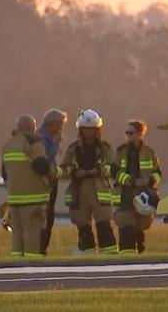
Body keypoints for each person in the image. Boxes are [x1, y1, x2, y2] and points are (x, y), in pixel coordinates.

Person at [60, 109, 117, 254]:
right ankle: (87, 253)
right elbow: (64, 168)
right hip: (79, 191)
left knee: (104, 225)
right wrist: (74, 172)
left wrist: (99, 171)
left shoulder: (106, 148)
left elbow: (114, 168)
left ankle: (109, 254)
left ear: (97, 129)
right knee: (83, 226)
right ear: (81, 130)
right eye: (85, 129)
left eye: (91, 129)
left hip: (100, 190)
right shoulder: (73, 149)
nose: (88, 132)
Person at [1, 115, 54, 257]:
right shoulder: (33, 143)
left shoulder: (8, 145)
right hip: (33, 200)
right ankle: (33, 267)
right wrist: (55, 172)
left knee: (17, 235)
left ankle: (17, 266)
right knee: (32, 234)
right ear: (32, 127)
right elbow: (42, 166)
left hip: (14, 200)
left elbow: (4, 173)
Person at [111, 120, 162, 254]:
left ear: (140, 134)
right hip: (124, 195)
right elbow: (114, 172)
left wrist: (150, 181)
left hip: (143, 196)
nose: (128, 135)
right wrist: (132, 181)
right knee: (126, 226)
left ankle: (139, 256)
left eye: (131, 132)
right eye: (126, 132)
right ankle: (126, 258)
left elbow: (157, 172)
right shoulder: (120, 151)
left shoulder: (149, 152)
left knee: (140, 228)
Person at [37, 108, 68, 253]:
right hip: (43, 183)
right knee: (44, 217)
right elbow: (46, 159)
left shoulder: (48, 137)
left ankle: (44, 248)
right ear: (52, 123)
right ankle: (40, 248)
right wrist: (55, 144)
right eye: (60, 124)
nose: (61, 128)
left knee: (50, 217)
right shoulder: (41, 138)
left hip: (52, 181)